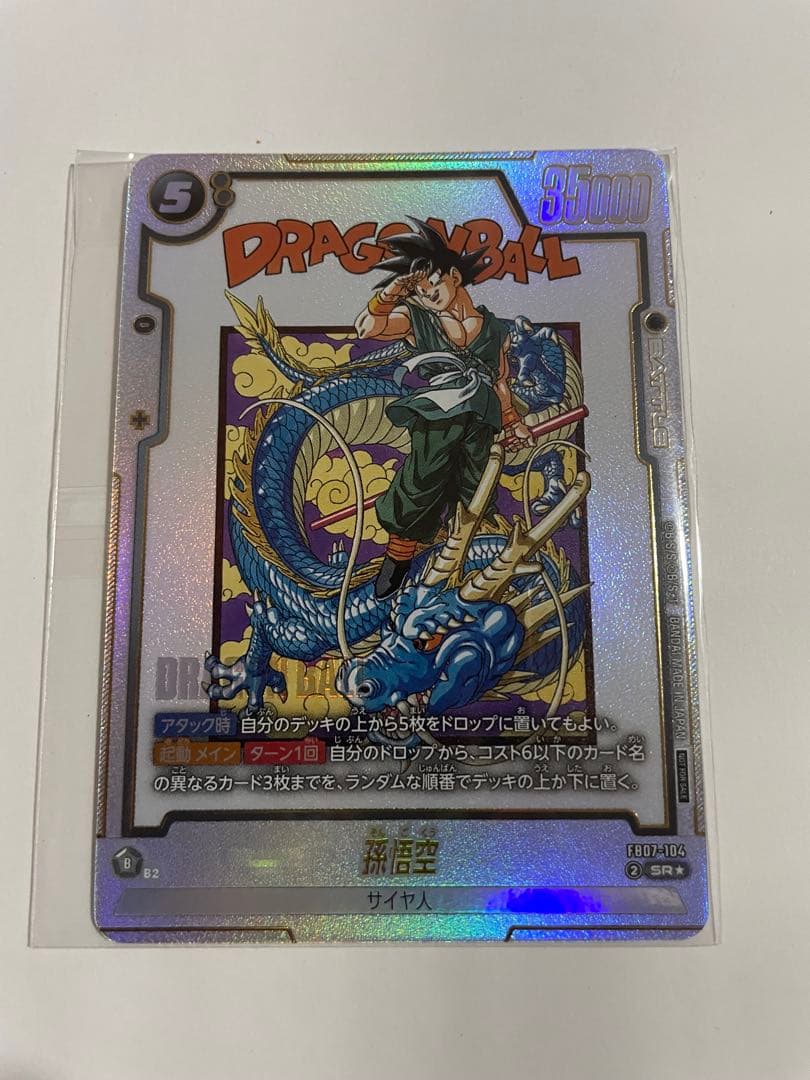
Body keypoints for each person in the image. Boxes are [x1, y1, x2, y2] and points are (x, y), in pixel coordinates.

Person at [355, 218, 532, 599]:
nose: (427, 295)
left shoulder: (495, 329)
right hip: (439, 414)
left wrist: (512, 421)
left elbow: (500, 380)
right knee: (421, 481)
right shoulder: (416, 319)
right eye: (419, 291)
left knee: (475, 489)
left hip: (481, 420)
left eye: (432, 285)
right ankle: (398, 559)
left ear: (454, 276)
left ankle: (463, 565)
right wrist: (392, 292)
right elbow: (367, 328)